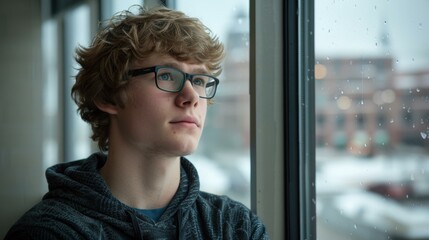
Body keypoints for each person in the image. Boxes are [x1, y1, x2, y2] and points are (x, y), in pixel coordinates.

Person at [5, 6, 269, 240]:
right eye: (166, 75)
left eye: (199, 81)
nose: (191, 97)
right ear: (108, 96)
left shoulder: (235, 226)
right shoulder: (49, 232)